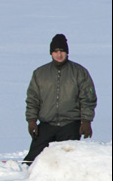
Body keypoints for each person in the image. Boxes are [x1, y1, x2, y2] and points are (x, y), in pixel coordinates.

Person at [23, 34, 97, 164]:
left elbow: (88, 98)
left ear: (67, 52)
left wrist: (86, 121)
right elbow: (33, 99)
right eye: (56, 51)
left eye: (62, 51)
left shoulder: (79, 72)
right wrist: (32, 120)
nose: (59, 54)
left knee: (66, 161)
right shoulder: (40, 73)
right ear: (51, 53)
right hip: (47, 124)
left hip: (70, 125)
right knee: (31, 161)